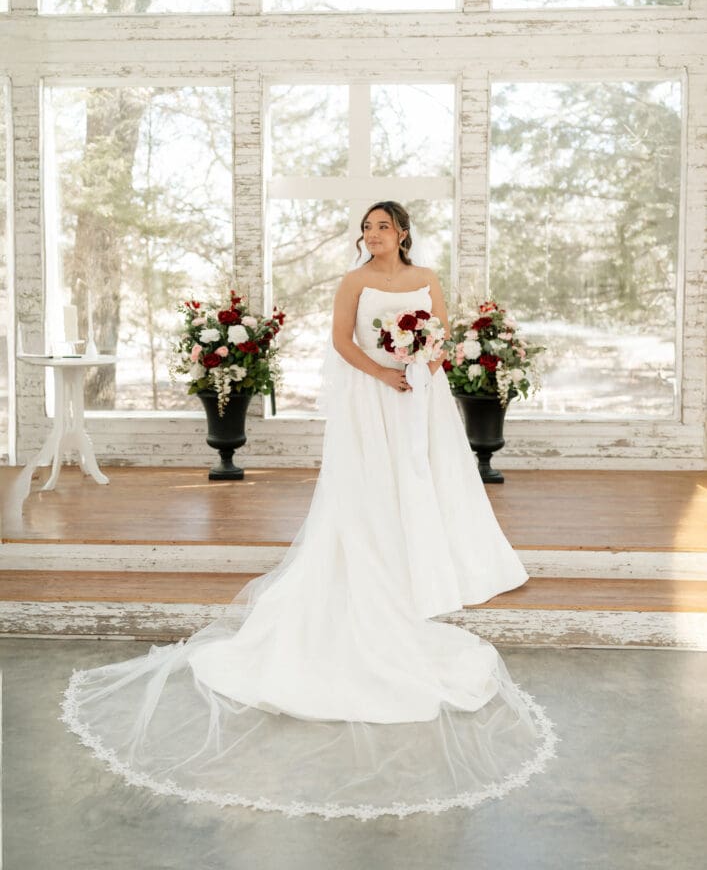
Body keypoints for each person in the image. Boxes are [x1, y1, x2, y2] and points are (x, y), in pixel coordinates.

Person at [60, 201, 559, 821]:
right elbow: (341, 343)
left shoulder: (428, 279)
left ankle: (419, 553)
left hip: (418, 396)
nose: (373, 235)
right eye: (368, 228)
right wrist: (386, 370)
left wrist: (424, 361)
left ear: (402, 233)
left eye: (383, 227)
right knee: (371, 489)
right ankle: (371, 555)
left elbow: (444, 337)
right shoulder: (353, 281)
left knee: (419, 478)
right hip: (373, 394)